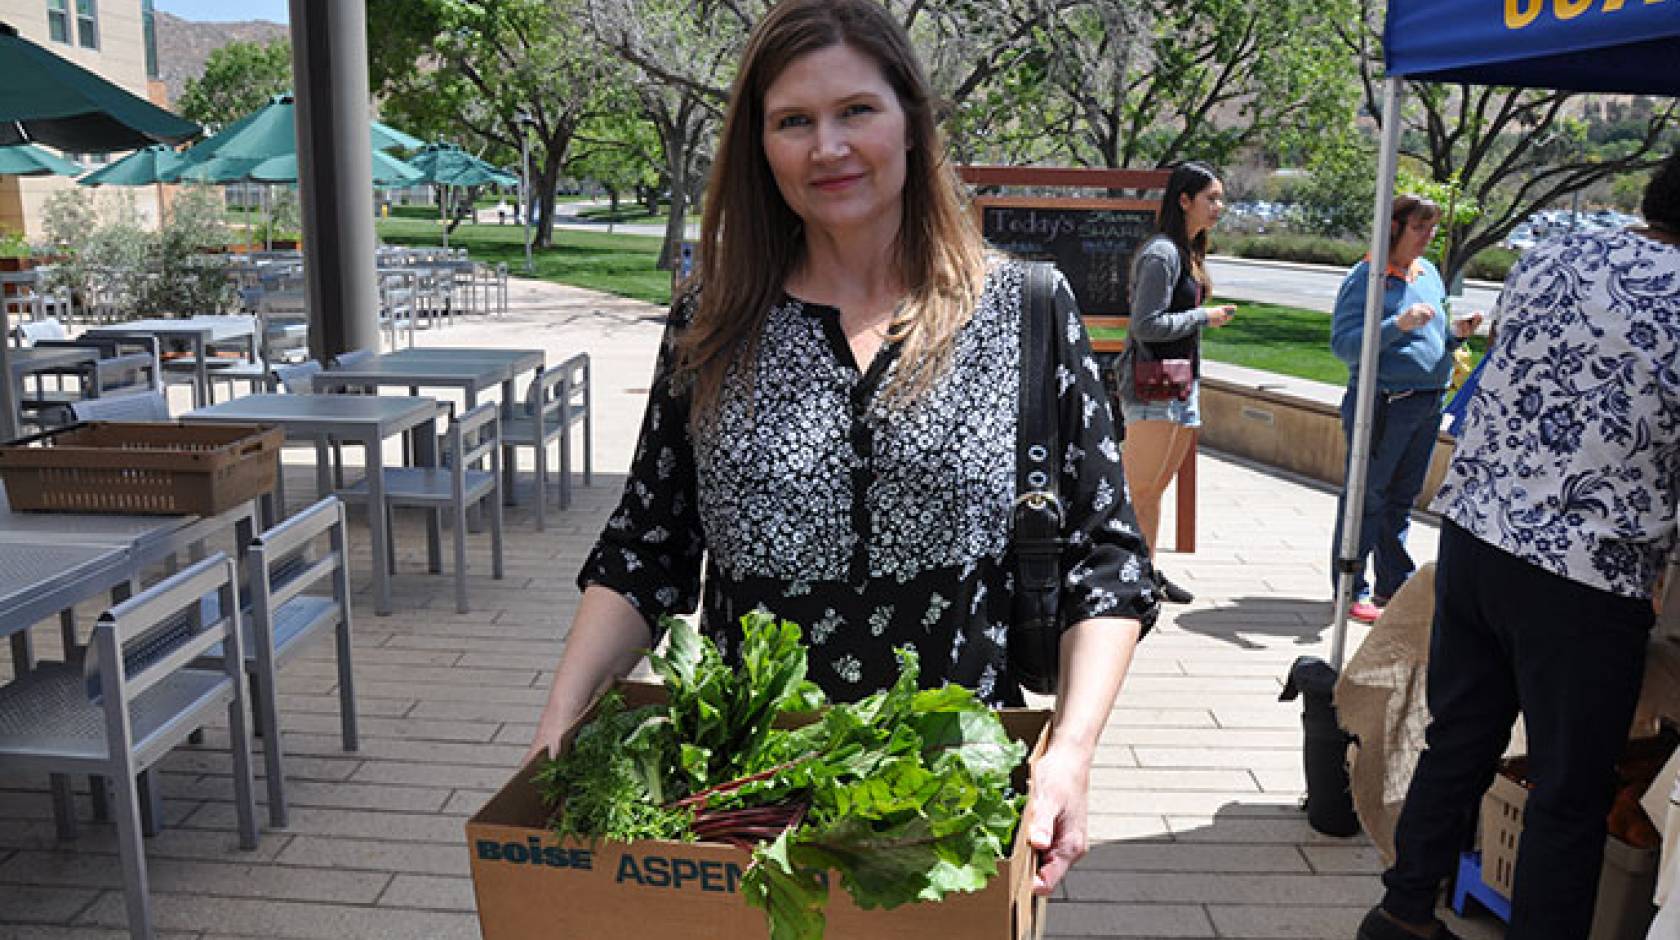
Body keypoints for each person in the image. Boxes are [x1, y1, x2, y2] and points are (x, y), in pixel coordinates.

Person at [524, 0, 1158, 898]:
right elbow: (646, 548)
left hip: (952, 811)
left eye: (856, 110)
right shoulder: (713, 324)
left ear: (909, 121)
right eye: (794, 121)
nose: (828, 147)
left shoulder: (1026, 309)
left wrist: (1071, 756)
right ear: (761, 147)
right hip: (746, 811)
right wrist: (562, 721)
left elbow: (1107, 559)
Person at [1357, 153, 1680, 940]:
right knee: (1569, 792)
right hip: (1588, 571)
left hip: (1478, 535)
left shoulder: (1553, 256)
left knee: (1459, 738)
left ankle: (1402, 911)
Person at [1328, 195, 1481, 625]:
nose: (1428, 238)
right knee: (1366, 496)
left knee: (1400, 499)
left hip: (1427, 403)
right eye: (1419, 228)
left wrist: (1453, 335)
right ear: (1393, 227)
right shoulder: (1367, 278)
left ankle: (1392, 583)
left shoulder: (1428, 273)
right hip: (1384, 405)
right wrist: (1396, 325)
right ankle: (1349, 587)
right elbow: (1344, 346)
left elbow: (1427, 337)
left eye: (1432, 230)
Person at [1115, 161, 1237, 604]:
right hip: (1153, 388)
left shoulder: (1186, 252)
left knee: (1154, 491)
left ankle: (1144, 575)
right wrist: (1204, 315)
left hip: (1179, 388)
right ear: (1184, 200)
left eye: (1221, 198)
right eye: (1212, 198)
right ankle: (1119, 577)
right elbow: (1146, 324)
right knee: (1136, 491)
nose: (1219, 207)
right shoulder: (1162, 254)